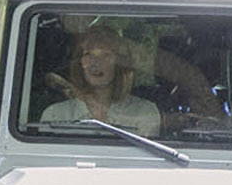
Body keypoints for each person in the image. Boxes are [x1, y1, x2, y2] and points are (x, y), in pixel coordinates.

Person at [36, 24, 165, 134]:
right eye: (88, 54)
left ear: (120, 64)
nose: (95, 63)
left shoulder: (144, 112)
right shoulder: (55, 115)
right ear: (79, 62)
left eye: (105, 55)